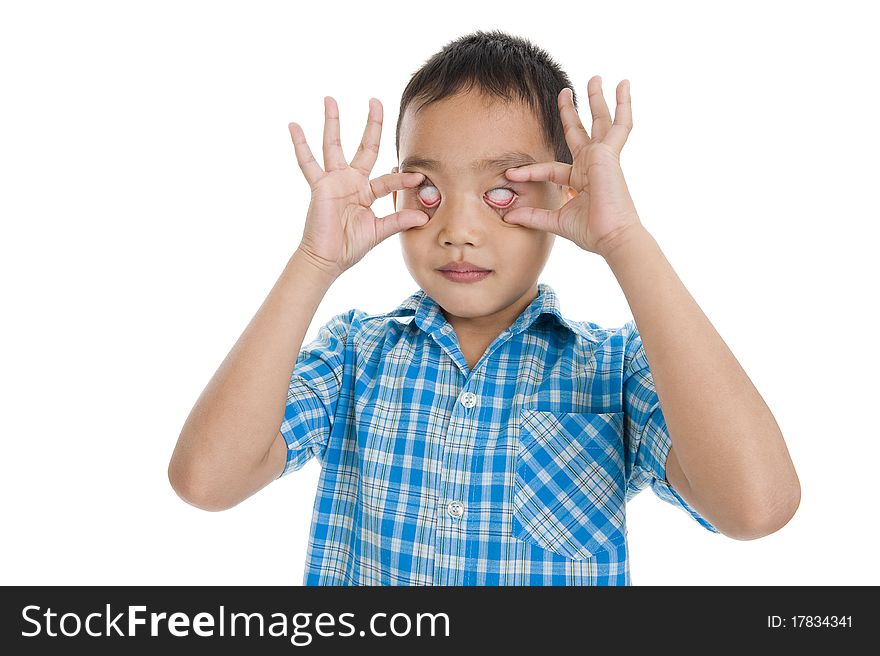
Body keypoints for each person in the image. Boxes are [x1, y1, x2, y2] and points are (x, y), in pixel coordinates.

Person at [168, 30, 800, 585]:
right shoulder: (355, 356)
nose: (458, 229)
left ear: (564, 188)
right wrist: (313, 263)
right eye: (428, 189)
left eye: (501, 190)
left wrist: (625, 243)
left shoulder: (613, 368)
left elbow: (755, 507)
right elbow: (206, 481)